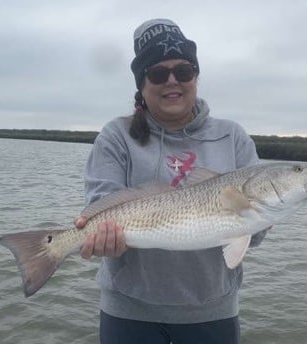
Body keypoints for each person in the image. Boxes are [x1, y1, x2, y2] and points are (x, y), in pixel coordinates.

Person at [75, 18, 266, 344]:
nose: (172, 81)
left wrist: (262, 218)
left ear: (197, 77)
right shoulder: (116, 136)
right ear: (141, 84)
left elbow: (253, 237)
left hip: (213, 312)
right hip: (128, 312)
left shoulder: (232, 137)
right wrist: (102, 236)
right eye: (158, 73)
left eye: (184, 71)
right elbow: (101, 201)